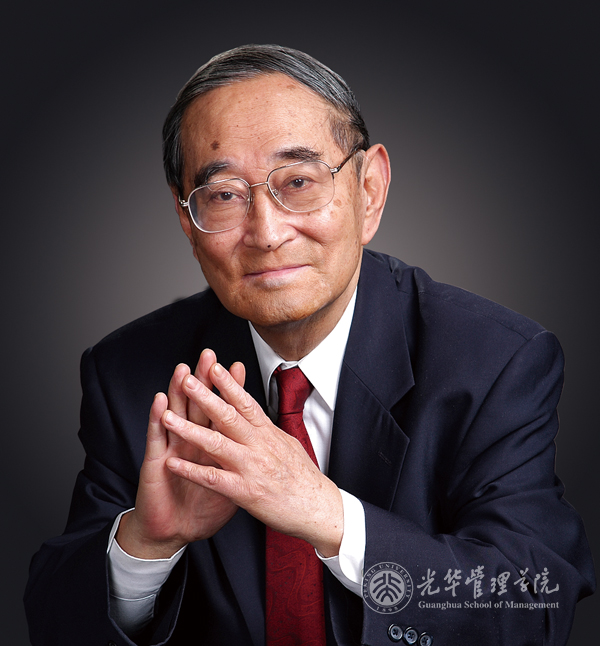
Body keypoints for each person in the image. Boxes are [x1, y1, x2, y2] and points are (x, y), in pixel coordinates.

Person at [25, 44, 594, 646]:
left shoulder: (495, 361)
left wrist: (331, 518)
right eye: (224, 195)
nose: (267, 233)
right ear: (186, 219)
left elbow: (533, 604)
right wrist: (147, 542)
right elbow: (55, 624)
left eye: (298, 182)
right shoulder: (130, 373)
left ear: (369, 190)